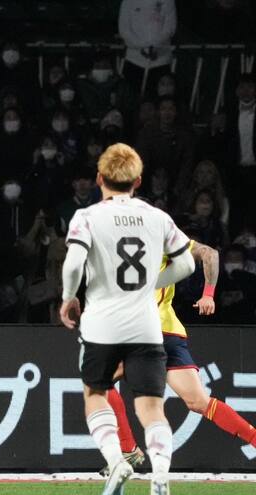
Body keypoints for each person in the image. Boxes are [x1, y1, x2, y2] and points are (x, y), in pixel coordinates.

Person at [59, 143, 195, 495]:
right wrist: (153, 283)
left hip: (102, 323)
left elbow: (73, 264)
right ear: (137, 180)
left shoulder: (87, 217)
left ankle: (117, 460)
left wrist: (69, 296)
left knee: (95, 394)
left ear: (99, 179)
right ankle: (161, 471)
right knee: (151, 407)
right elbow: (187, 264)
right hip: (146, 325)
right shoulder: (157, 217)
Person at [104, 239, 256, 473]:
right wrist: (208, 295)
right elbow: (210, 253)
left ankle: (128, 449)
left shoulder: (155, 240)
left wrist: (208, 295)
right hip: (169, 334)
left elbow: (210, 253)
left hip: (146, 331)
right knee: (199, 402)